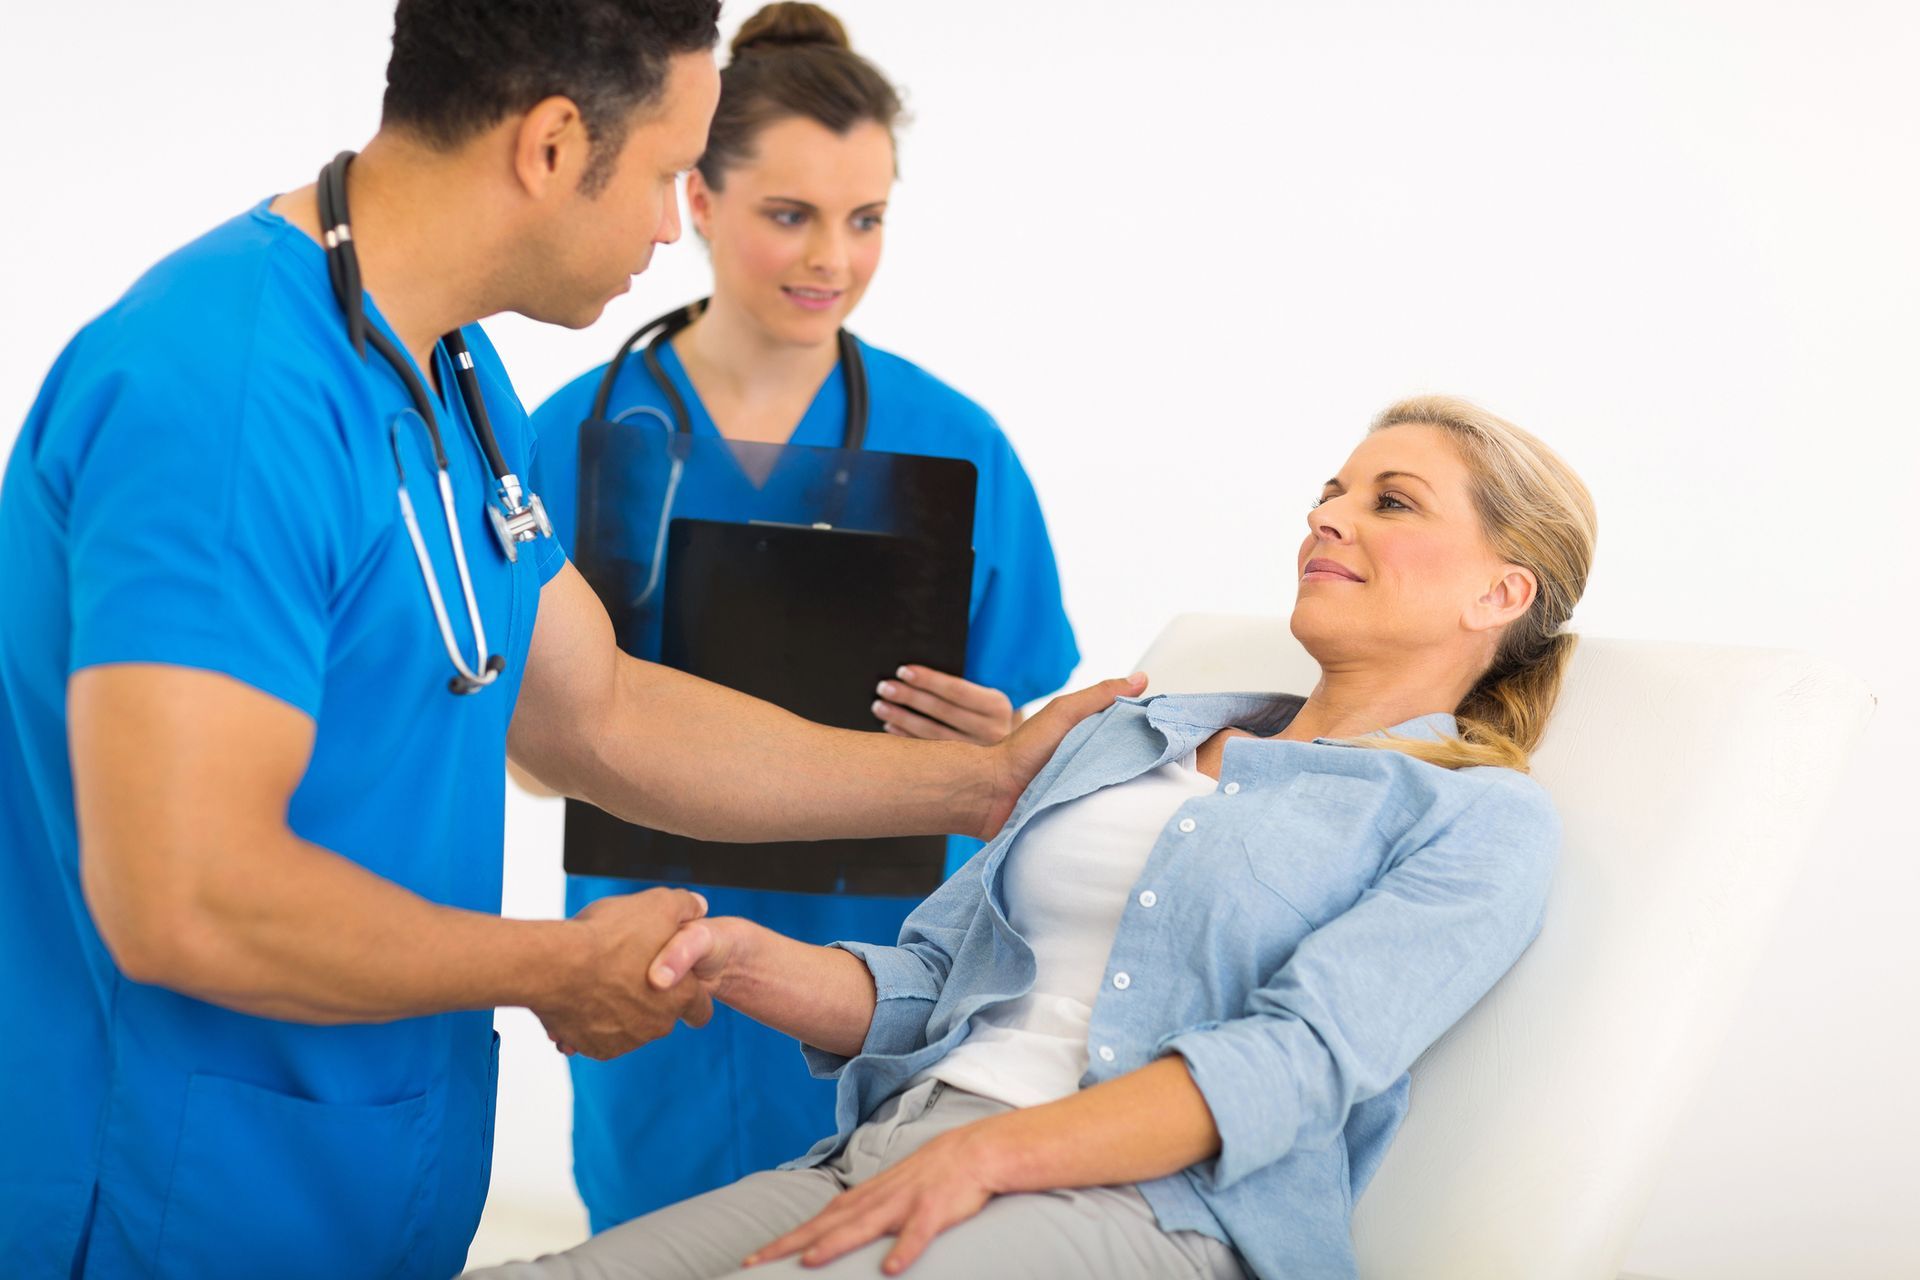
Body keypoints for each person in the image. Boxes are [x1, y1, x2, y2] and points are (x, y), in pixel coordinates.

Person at [0, 3, 1135, 1276]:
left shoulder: (454, 377)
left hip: (364, 1169)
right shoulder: (224, 395)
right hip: (173, 1193)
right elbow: (186, 896)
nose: (672, 222)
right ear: (550, 146)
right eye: (664, 175)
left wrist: (979, 776)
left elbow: (595, 710)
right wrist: (550, 965)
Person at [472, 395, 1600, 1280]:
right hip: (902, 1145)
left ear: (1503, 589)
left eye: (1391, 502)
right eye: (1330, 491)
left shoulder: (1475, 817)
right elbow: (930, 983)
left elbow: (1289, 1064)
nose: (1328, 515)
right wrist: (738, 952)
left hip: (1150, 1210)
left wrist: (996, 1154)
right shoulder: (1129, 735)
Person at [527, 2, 1080, 1228]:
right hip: (655, 961)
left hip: (876, 976)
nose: (834, 256)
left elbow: (1028, 773)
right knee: (652, 1243)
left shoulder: (958, 446)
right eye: (791, 214)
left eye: (866, 217)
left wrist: (991, 742)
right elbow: (516, 734)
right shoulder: (566, 437)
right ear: (701, 202)